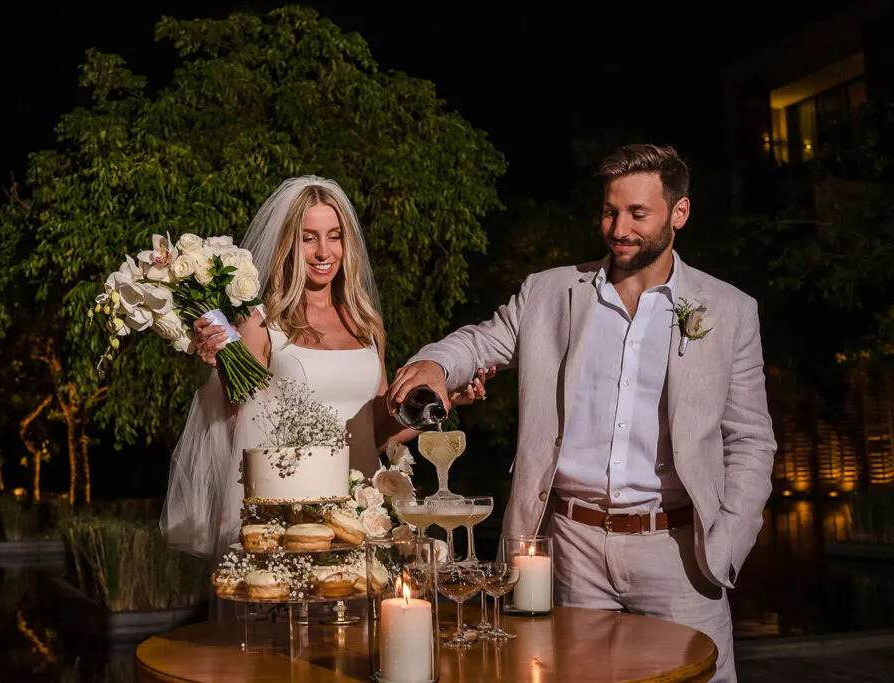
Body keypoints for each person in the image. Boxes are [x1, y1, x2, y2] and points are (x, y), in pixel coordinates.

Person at [388, 144, 775, 682]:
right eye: (610, 211)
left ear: (678, 213)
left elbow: (751, 441)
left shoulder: (729, 310)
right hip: (567, 551)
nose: (619, 228)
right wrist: (435, 364)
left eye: (638, 214)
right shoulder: (550, 292)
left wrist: (728, 544)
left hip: (680, 556)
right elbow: (481, 342)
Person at [160, 175, 490, 562]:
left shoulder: (366, 324)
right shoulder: (263, 322)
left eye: (334, 236)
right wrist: (223, 368)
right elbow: (237, 427)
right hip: (291, 518)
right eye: (308, 237)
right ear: (289, 244)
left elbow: (378, 433)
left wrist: (445, 401)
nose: (323, 251)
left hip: (361, 518)